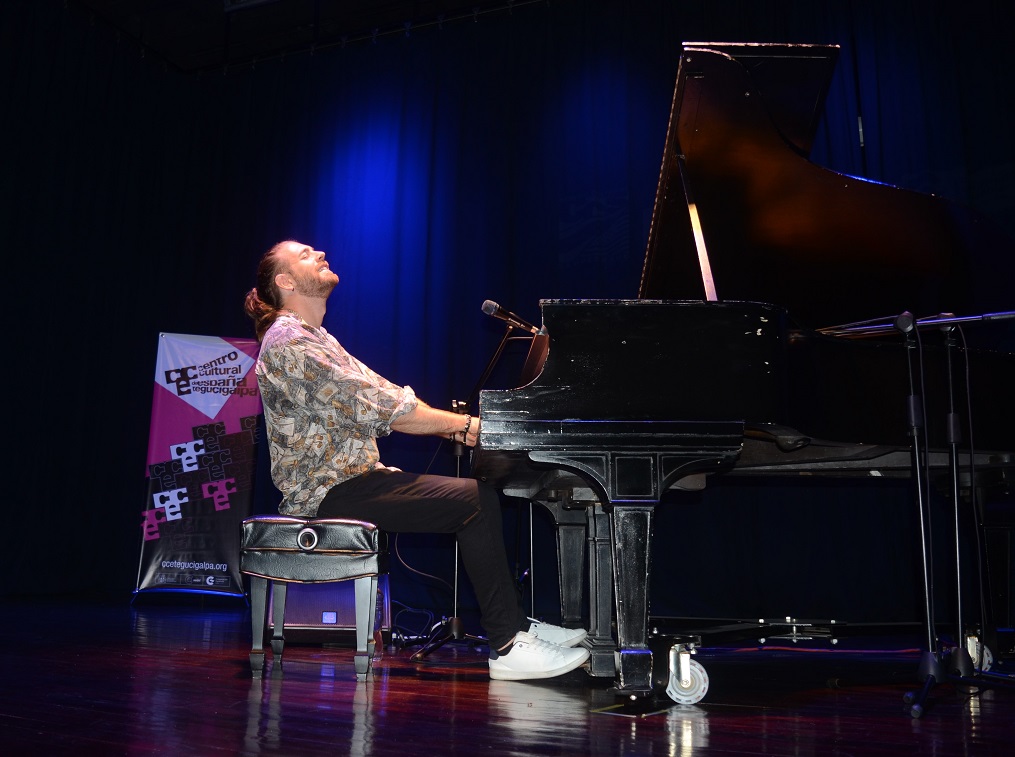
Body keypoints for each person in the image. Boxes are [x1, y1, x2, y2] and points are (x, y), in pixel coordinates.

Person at [243, 239, 589, 681]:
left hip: (354, 481)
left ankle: (516, 628)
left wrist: (462, 424)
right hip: (327, 493)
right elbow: (382, 406)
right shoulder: (289, 342)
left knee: (476, 495)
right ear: (286, 281)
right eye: (306, 254)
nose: (322, 255)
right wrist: (469, 426)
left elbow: (386, 394)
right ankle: (507, 647)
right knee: (473, 500)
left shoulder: (315, 338)